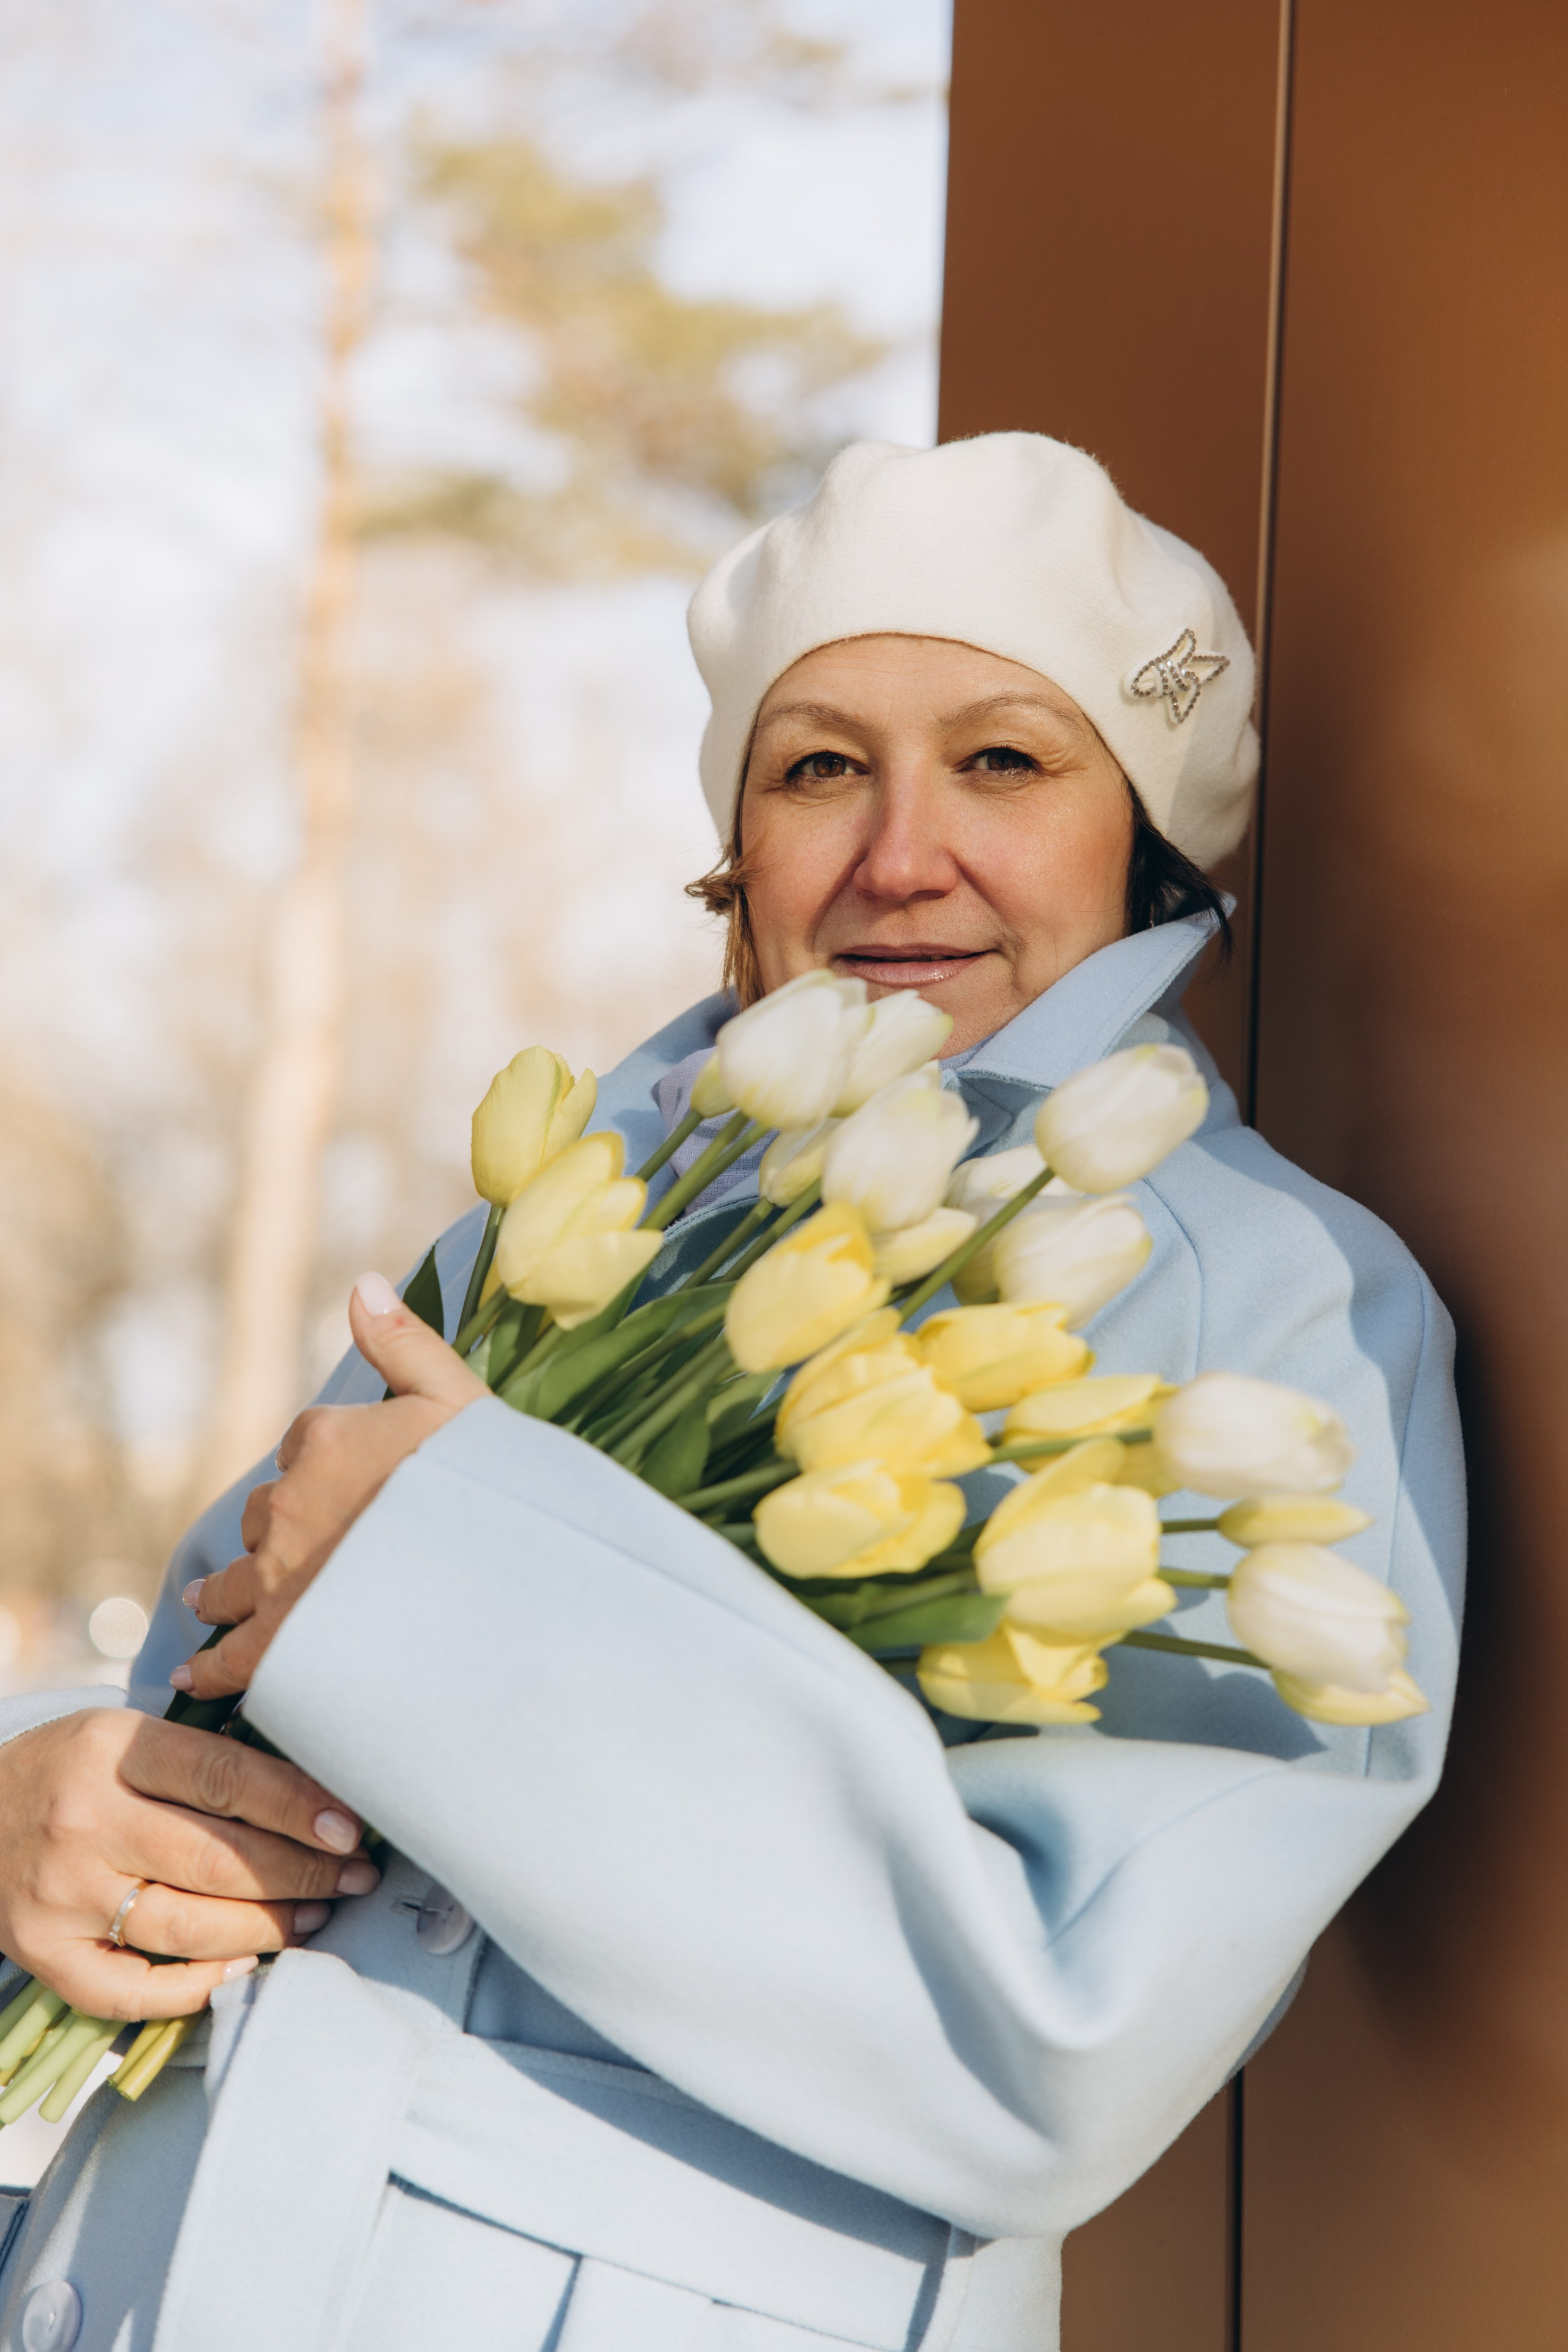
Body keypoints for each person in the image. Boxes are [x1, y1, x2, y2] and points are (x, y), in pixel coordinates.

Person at [0, 434, 1462, 2352]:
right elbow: (195, 1704)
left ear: (1145, 835)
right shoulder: (577, 1211)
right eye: (821, 765)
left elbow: (1057, 2039)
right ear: (738, 838)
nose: (899, 852)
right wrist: (51, 1793)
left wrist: (458, 1580)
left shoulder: (1268, 1305)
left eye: (1006, 760)